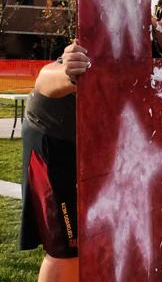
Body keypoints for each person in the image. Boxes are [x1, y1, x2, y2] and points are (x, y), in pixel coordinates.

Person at [19, 42, 90, 282]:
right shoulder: (105, 38)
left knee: (89, 241)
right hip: (52, 139)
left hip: (82, 142)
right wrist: (69, 73)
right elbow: (46, 77)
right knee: (66, 246)